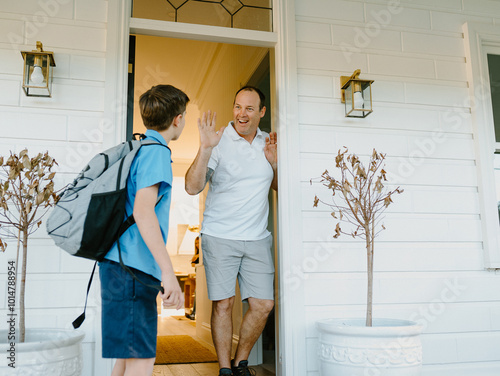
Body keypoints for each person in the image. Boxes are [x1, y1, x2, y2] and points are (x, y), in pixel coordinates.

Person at [185, 86, 277, 376]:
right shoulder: (220, 139)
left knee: (263, 304)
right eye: (238, 107)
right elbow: (192, 186)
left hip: (257, 238)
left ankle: (241, 362)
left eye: (250, 108)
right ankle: (225, 369)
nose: (242, 114)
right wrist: (206, 148)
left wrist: (275, 164)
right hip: (220, 236)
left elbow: (279, 189)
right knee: (223, 303)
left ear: (261, 112)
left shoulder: (268, 142)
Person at [99, 84, 188, 376]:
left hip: (118, 266)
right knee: (141, 359)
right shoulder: (157, 152)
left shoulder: (140, 148)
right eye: (184, 114)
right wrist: (168, 272)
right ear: (177, 118)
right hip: (133, 270)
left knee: (126, 359)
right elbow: (143, 211)